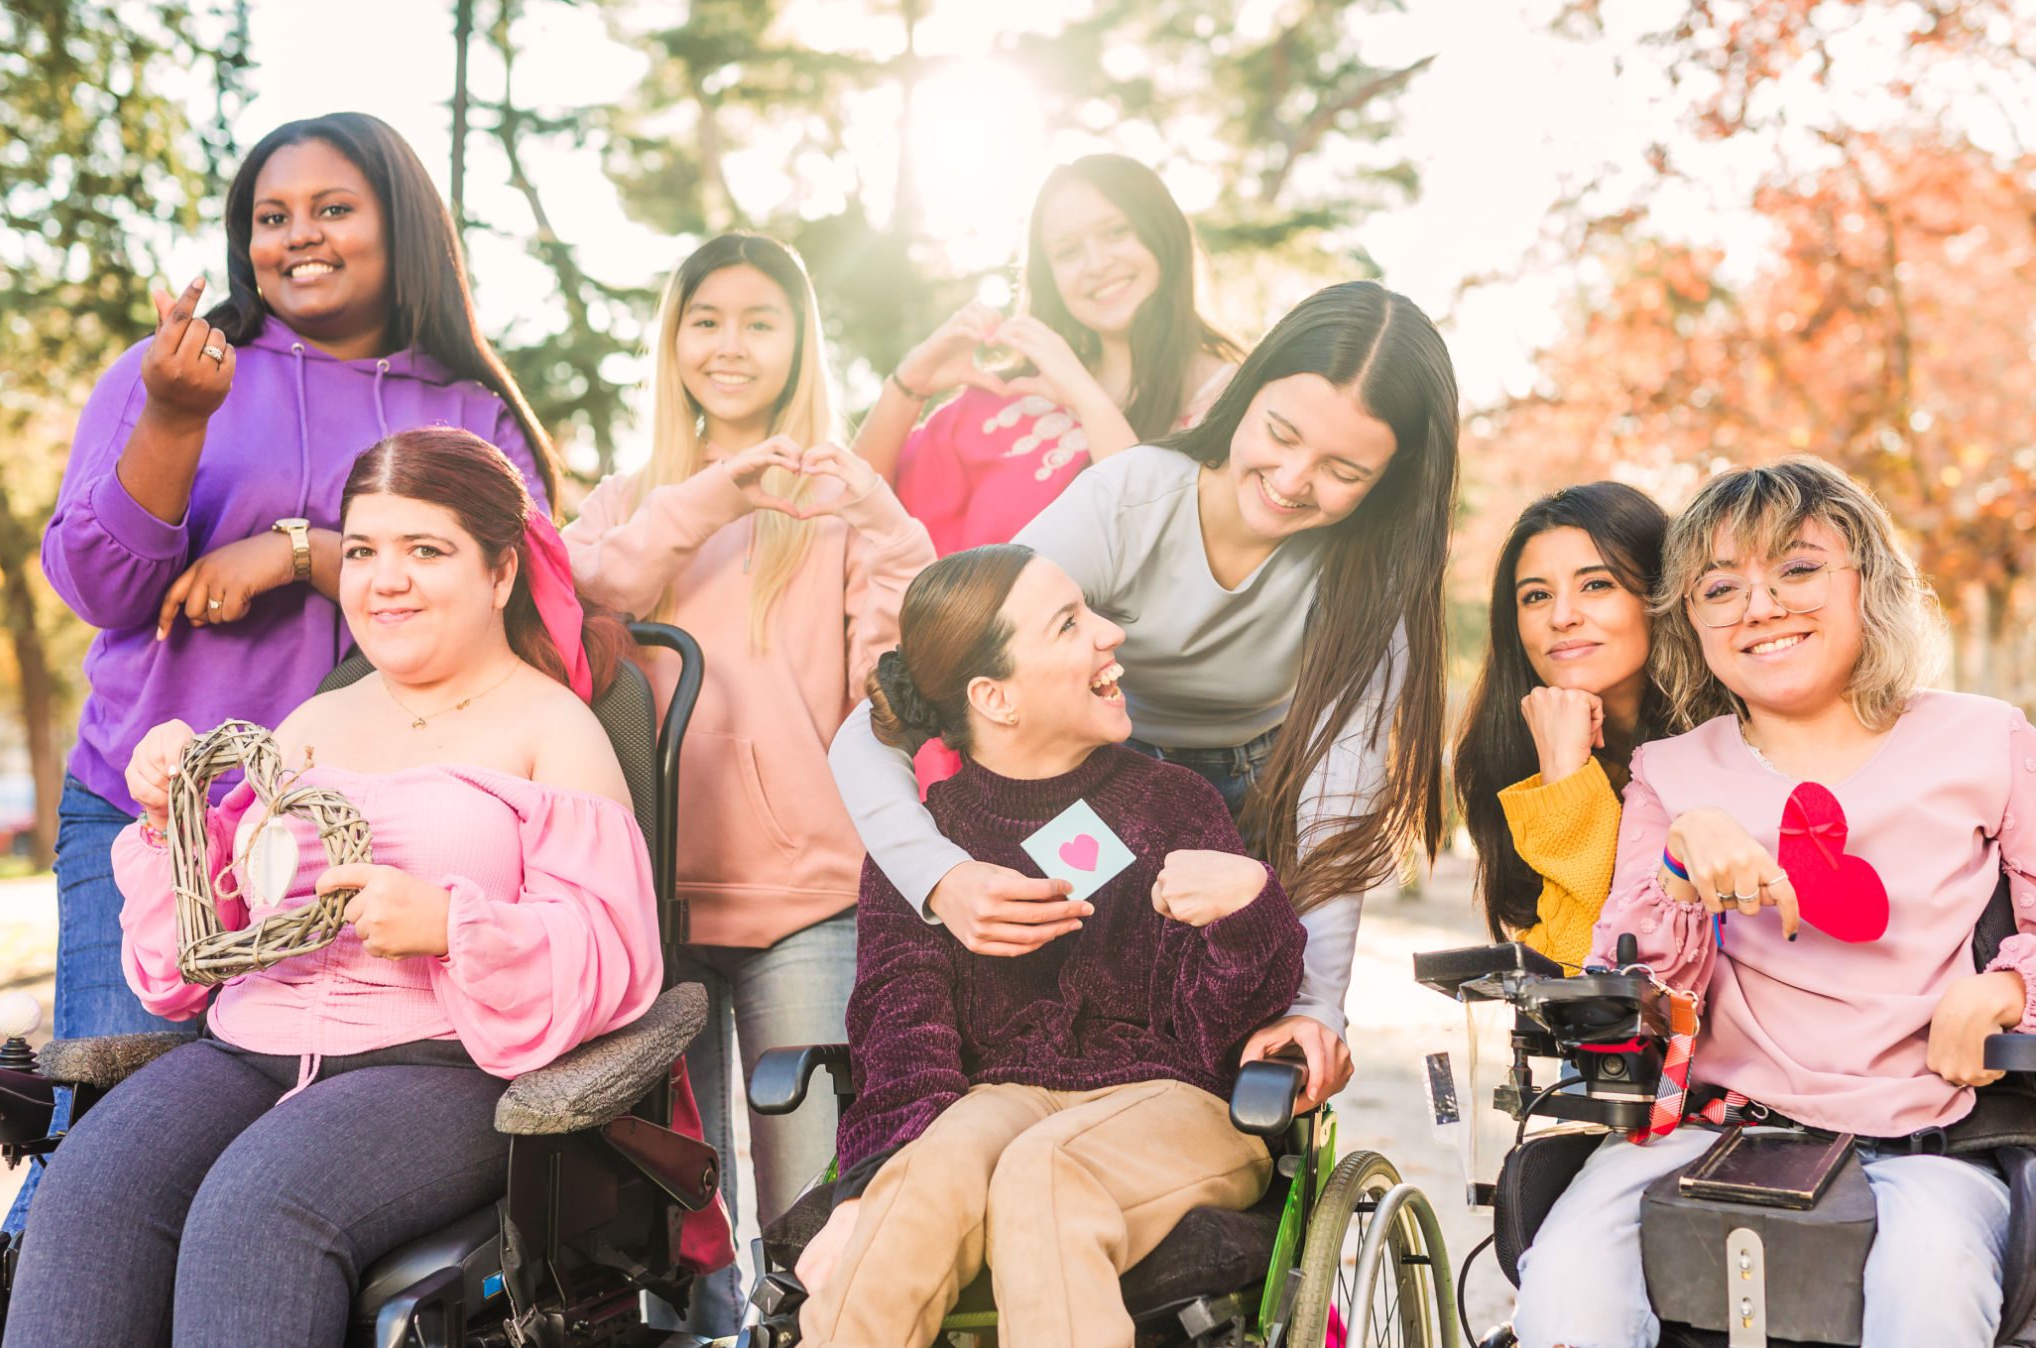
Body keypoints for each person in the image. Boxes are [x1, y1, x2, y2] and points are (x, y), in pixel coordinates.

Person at [4, 427, 726, 1348]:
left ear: (501, 573)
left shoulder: (555, 730)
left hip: (439, 1063)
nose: (386, 580)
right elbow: (203, 945)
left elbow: (613, 950)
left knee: (261, 1207)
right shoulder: (312, 723)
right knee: (91, 1182)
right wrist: (167, 819)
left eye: (427, 550)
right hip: (247, 1047)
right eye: (367, 550)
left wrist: (452, 926)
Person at [24, 113, 556, 1232]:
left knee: (262, 1182)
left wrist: (311, 553)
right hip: (152, 824)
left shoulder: (464, 411)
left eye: (331, 209)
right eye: (271, 216)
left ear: (397, 226)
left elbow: (538, 602)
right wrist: (174, 420)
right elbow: (103, 589)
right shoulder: (169, 371)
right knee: (107, 1148)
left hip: (342, 861)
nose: (297, 237)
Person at [830, 279, 1461, 1111]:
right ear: (1248, 390)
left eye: (1343, 470)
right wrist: (939, 877)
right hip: (1103, 787)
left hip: (1262, 802)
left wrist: (1316, 1008)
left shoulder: (1373, 586)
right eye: (1279, 432)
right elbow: (888, 715)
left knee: (1230, 1051)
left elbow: (1335, 808)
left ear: (1391, 478)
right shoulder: (1129, 499)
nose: (1292, 479)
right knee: (1065, 1016)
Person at [1509, 457, 2034, 1348]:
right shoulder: (1672, 771)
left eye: (1797, 570)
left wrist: (2012, 986)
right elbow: (1632, 981)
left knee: (1933, 1284)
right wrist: (1679, 862)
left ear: (1869, 580)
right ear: (1694, 620)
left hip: (1928, 1127)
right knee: (1563, 1286)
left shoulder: (1984, 739)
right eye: (1723, 588)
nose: (1761, 607)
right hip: (1713, 1122)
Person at [793, 544, 1306, 1348]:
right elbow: (903, 1031)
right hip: (1001, 1098)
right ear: (995, 698)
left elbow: (1217, 1041)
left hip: (1177, 1102)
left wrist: (1248, 907)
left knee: (1046, 1170)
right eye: (1071, 623)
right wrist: (866, 1193)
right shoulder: (932, 847)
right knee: (929, 1172)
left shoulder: (1173, 804)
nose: (1111, 635)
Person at [562, 233, 934, 1328]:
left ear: (797, 341)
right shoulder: (628, 498)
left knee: (815, 1217)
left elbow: (895, 679)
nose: (729, 344)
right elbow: (586, 591)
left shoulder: (834, 501)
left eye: (758, 321)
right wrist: (708, 498)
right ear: (673, 338)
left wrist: (877, 517)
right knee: (674, 1231)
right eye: (706, 318)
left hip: (805, 903)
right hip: (645, 911)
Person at [854, 153, 1243, 555]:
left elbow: (1169, 559)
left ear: (1163, 232)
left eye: (1116, 232)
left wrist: (1084, 395)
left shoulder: (1243, 406)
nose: (1096, 264)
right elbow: (851, 508)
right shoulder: (1007, 399)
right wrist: (907, 385)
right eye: (1068, 251)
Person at [1453, 483, 1671, 969]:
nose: (1562, 617)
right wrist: (1561, 770)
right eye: (1536, 596)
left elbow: (1617, 965)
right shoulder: (1510, 757)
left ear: (1659, 593)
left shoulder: (1723, 746)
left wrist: (1567, 785)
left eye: (1596, 584)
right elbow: (1567, 976)